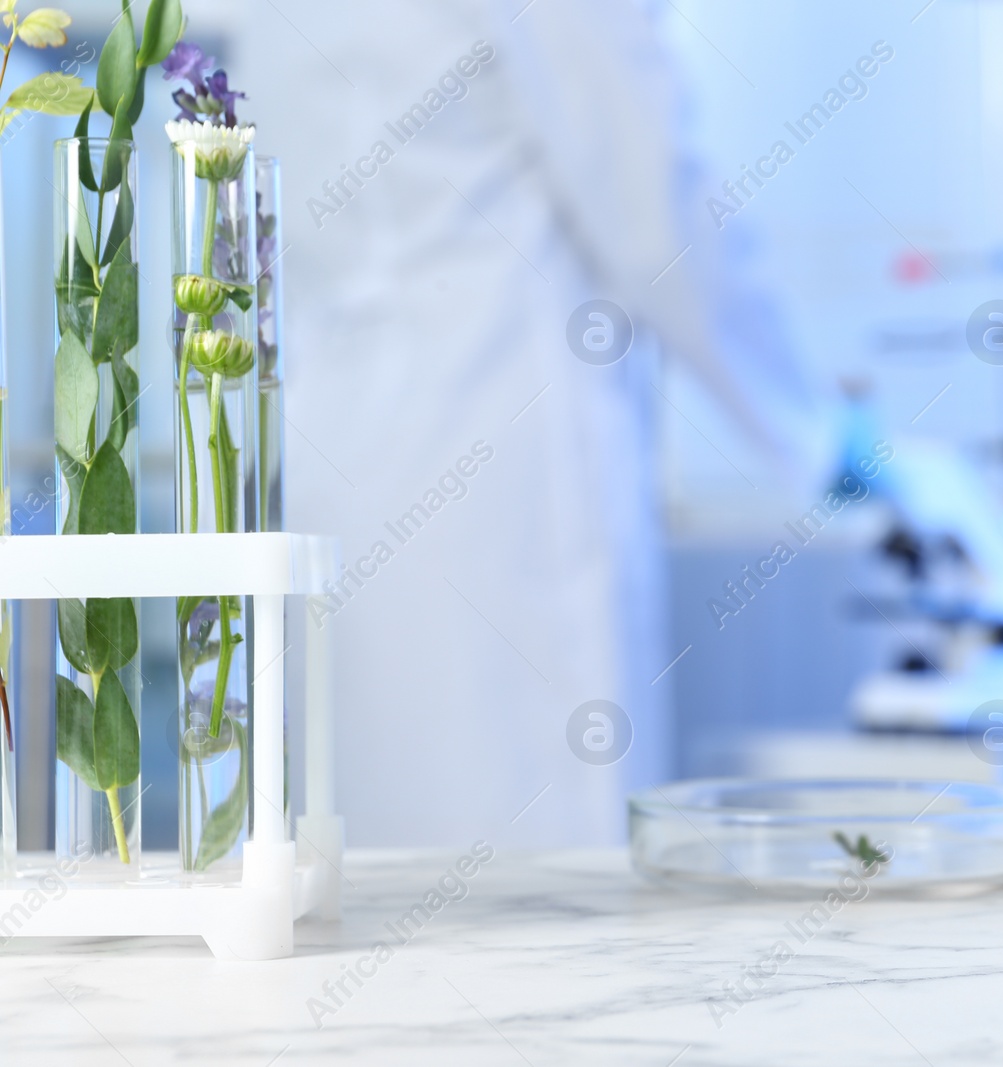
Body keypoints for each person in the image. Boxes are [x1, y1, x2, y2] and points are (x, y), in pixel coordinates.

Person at [229, 0, 824, 846]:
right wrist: (814, 428)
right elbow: (656, 209)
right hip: (500, 463)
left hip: (335, 456)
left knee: (372, 870)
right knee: (541, 887)